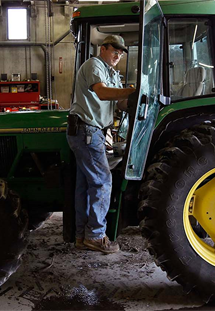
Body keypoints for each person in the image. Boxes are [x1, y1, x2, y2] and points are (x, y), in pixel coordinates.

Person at [67, 35, 135, 254]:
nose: (117, 56)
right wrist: (132, 91)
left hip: (92, 132)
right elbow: (103, 93)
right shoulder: (94, 65)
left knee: (85, 185)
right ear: (103, 48)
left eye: (121, 53)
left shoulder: (113, 73)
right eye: (114, 51)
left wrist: (137, 98)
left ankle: (81, 236)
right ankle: (96, 236)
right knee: (102, 182)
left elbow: (121, 102)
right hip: (87, 130)